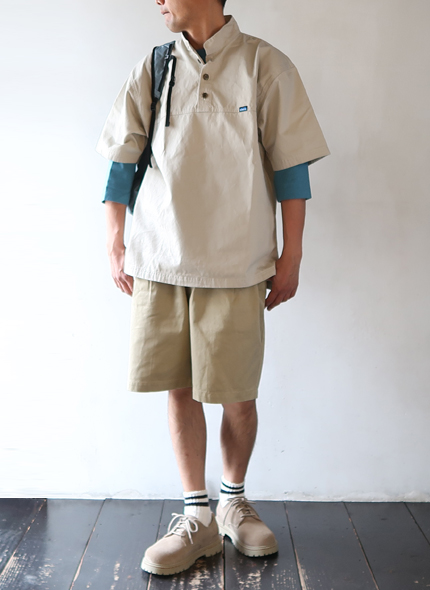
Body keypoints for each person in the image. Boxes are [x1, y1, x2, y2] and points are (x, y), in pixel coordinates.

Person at [96, 0, 330, 576]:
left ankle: (233, 500)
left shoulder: (265, 66)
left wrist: (292, 254)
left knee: (237, 393)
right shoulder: (153, 67)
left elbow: (291, 169)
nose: (158, 1)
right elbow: (120, 162)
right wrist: (115, 243)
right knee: (179, 387)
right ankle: (196, 516)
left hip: (237, 261)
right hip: (161, 257)